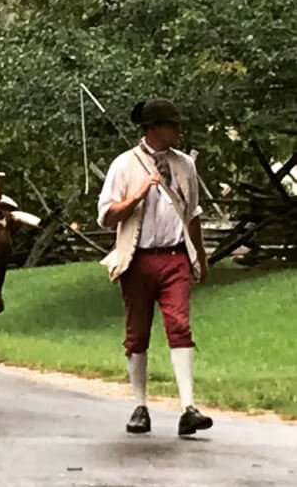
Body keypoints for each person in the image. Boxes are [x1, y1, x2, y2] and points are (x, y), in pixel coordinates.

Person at [97, 98, 212, 437]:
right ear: (154, 129)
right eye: (171, 125)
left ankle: (188, 408)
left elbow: (192, 213)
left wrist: (199, 258)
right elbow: (106, 216)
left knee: (180, 325)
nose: (178, 130)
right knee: (137, 333)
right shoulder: (124, 165)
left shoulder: (185, 165)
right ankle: (140, 406)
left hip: (176, 257)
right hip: (138, 259)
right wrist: (138, 195)